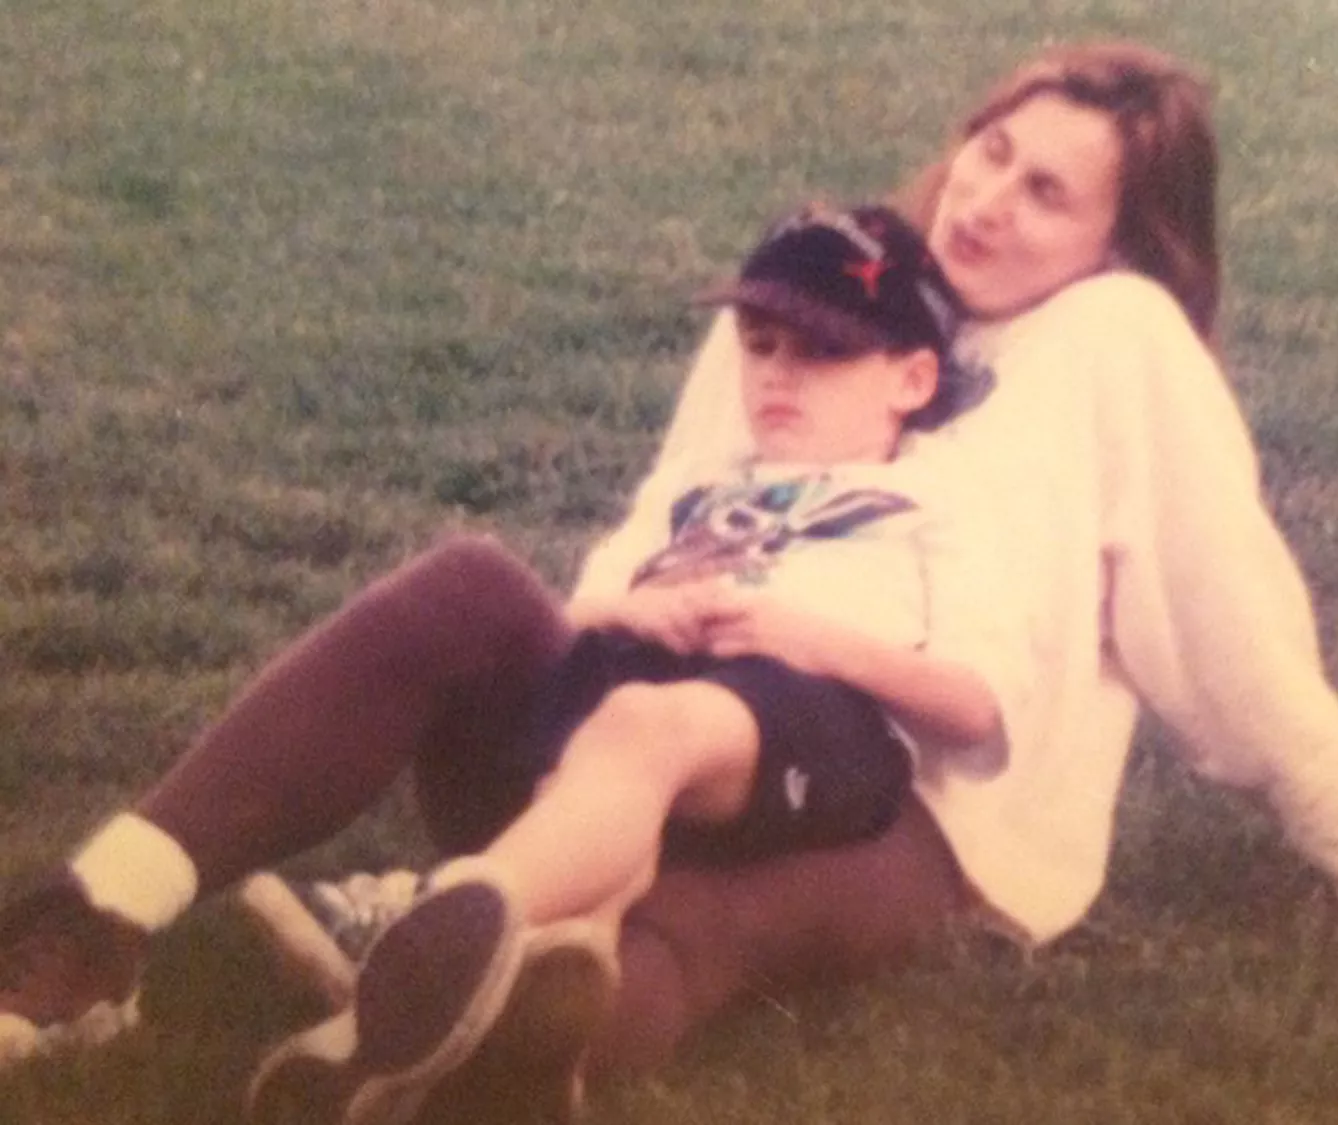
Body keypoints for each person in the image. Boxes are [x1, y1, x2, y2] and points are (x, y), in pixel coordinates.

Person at [3, 31, 1338, 1116]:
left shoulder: (1119, 350)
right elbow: (671, 513)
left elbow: (1233, 641)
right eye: (992, 149)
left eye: (1049, 193)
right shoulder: (826, 293)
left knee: (666, 941)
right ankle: (93, 927)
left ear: (1122, 238)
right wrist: (607, 622)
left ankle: (438, 1031)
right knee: (473, 587)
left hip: (910, 804)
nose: (986, 200)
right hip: (658, 724)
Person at [245, 200, 1007, 1125]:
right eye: (760, 344)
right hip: (635, 709)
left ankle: (430, 924)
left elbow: (973, 707)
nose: (778, 374)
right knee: (583, 903)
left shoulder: (934, 501)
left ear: (912, 377)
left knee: (647, 724)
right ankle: (383, 1054)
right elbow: (579, 615)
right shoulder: (699, 484)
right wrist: (637, 609)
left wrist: (801, 637)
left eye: (821, 352)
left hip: (807, 710)